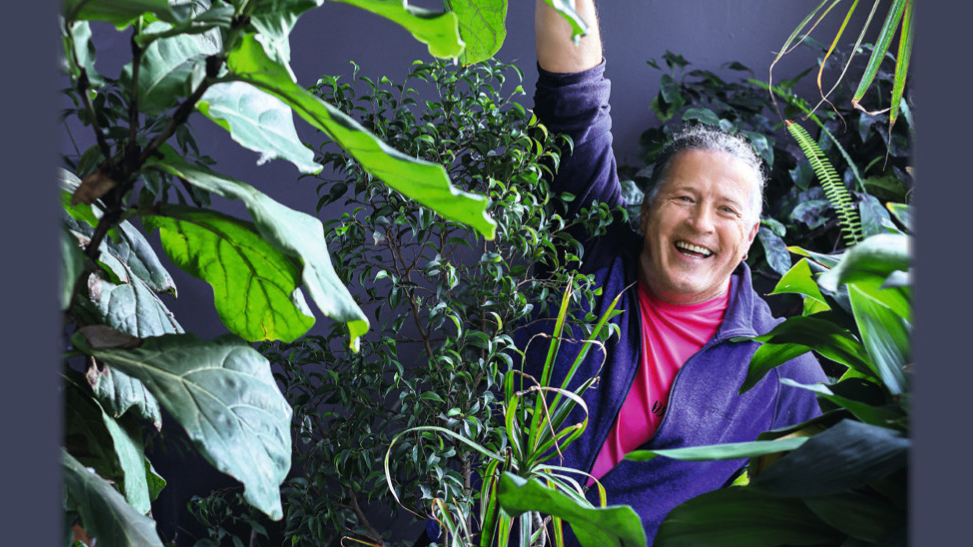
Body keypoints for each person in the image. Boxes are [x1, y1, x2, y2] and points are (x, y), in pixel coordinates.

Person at [517, 1, 829, 544]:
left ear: (750, 236)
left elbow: (842, 490)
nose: (701, 223)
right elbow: (573, 103)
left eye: (727, 210)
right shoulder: (590, 250)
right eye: (683, 198)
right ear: (646, 209)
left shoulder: (778, 366)